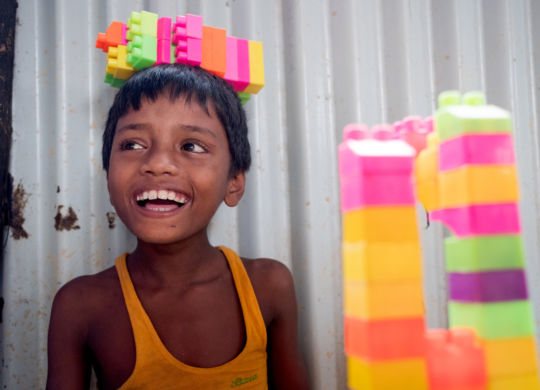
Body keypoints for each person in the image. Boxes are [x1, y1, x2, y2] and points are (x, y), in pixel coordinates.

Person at [46, 64, 310, 390]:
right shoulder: (81, 305)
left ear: (234, 182)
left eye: (192, 146)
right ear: (108, 175)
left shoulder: (268, 287)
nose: (157, 164)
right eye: (132, 145)